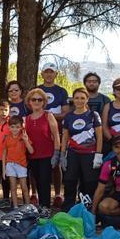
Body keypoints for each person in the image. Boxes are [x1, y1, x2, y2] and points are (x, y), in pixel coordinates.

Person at [59, 88, 103, 211]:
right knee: (69, 180)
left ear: (87, 99)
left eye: (82, 98)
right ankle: (68, 207)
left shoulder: (93, 115)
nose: (79, 100)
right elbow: (65, 137)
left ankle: (86, 207)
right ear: (73, 99)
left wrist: (98, 155)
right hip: (73, 153)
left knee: (89, 181)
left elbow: (99, 137)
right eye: (77, 98)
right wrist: (62, 154)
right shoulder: (68, 116)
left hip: (90, 154)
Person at [38, 61, 70, 207]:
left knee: (56, 163)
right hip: (39, 131)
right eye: (46, 71)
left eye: (52, 72)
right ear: (42, 74)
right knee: (37, 163)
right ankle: (34, 193)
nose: (49, 74)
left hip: (57, 131)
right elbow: (33, 111)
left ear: (56, 74)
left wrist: (48, 115)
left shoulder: (61, 91)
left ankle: (57, 194)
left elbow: (65, 113)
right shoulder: (37, 90)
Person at [24, 88, 61, 208]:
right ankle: (41, 206)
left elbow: (56, 135)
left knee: (45, 182)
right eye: (33, 99)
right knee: (38, 182)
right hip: (33, 155)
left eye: (39, 99)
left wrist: (56, 153)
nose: (36, 101)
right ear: (29, 101)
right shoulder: (27, 119)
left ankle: (46, 208)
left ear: (44, 102)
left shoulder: (48, 115)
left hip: (47, 155)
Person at [2, 116, 33, 208]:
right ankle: (15, 207)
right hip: (10, 164)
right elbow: (4, 154)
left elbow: (31, 151)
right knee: (13, 187)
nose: (15, 129)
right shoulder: (7, 138)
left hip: (21, 164)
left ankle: (27, 207)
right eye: (12, 127)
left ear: (21, 127)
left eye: (17, 127)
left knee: (24, 187)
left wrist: (26, 140)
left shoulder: (23, 137)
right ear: (9, 127)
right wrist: (4, 169)